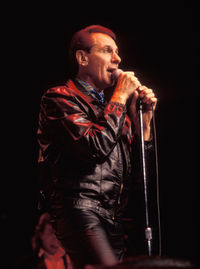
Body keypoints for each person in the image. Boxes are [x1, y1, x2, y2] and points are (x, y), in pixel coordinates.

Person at [37, 25, 157, 268]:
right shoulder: (59, 98)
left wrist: (142, 124)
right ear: (82, 58)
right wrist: (120, 97)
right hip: (81, 210)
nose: (117, 59)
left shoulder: (113, 109)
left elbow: (138, 176)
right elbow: (94, 147)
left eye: (117, 52)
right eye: (107, 51)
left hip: (115, 217)